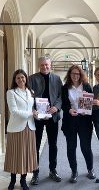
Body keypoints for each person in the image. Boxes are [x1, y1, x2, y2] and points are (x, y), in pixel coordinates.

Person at [29, 54, 63, 185]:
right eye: (42, 65)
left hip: (52, 117)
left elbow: (61, 96)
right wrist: (32, 109)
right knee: (35, 145)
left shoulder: (57, 78)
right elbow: (29, 96)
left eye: (47, 65)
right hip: (37, 117)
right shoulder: (32, 78)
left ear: (50, 65)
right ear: (39, 65)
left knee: (53, 144)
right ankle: (35, 173)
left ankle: (52, 170)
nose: (45, 67)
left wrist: (57, 107)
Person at [4, 69, 38, 190]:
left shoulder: (31, 92)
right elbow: (14, 111)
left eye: (22, 77)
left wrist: (38, 113)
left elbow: (34, 108)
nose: (20, 80)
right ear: (15, 80)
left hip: (30, 127)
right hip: (16, 128)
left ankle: (23, 181)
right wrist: (31, 113)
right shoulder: (11, 92)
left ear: (26, 78)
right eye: (18, 78)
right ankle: (12, 181)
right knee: (15, 155)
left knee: (26, 155)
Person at [61, 65, 96, 183]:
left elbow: (91, 102)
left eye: (77, 74)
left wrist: (87, 105)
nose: (75, 76)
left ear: (81, 75)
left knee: (85, 147)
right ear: (69, 75)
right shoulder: (65, 87)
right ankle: (74, 172)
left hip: (84, 120)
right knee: (71, 147)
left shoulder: (86, 86)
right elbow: (64, 103)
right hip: (70, 120)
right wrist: (69, 110)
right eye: (73, 74)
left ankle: (90, 169)